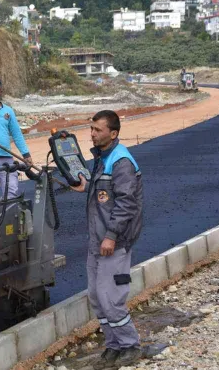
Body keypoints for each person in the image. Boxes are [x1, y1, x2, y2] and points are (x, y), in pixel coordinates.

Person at [70, 110, 143, 367]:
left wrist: (111, 236)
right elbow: (104, 194)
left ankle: (130, 345)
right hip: (97, 240)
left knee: (111, 297)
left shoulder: (121, 162)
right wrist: (86, 185)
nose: (92, 134)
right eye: (91, 129)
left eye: (97, 130)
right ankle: (113, 345)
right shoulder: (103, 158)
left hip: (114, 242)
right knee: (96, 297)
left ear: (113, 134)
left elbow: (126, 204)